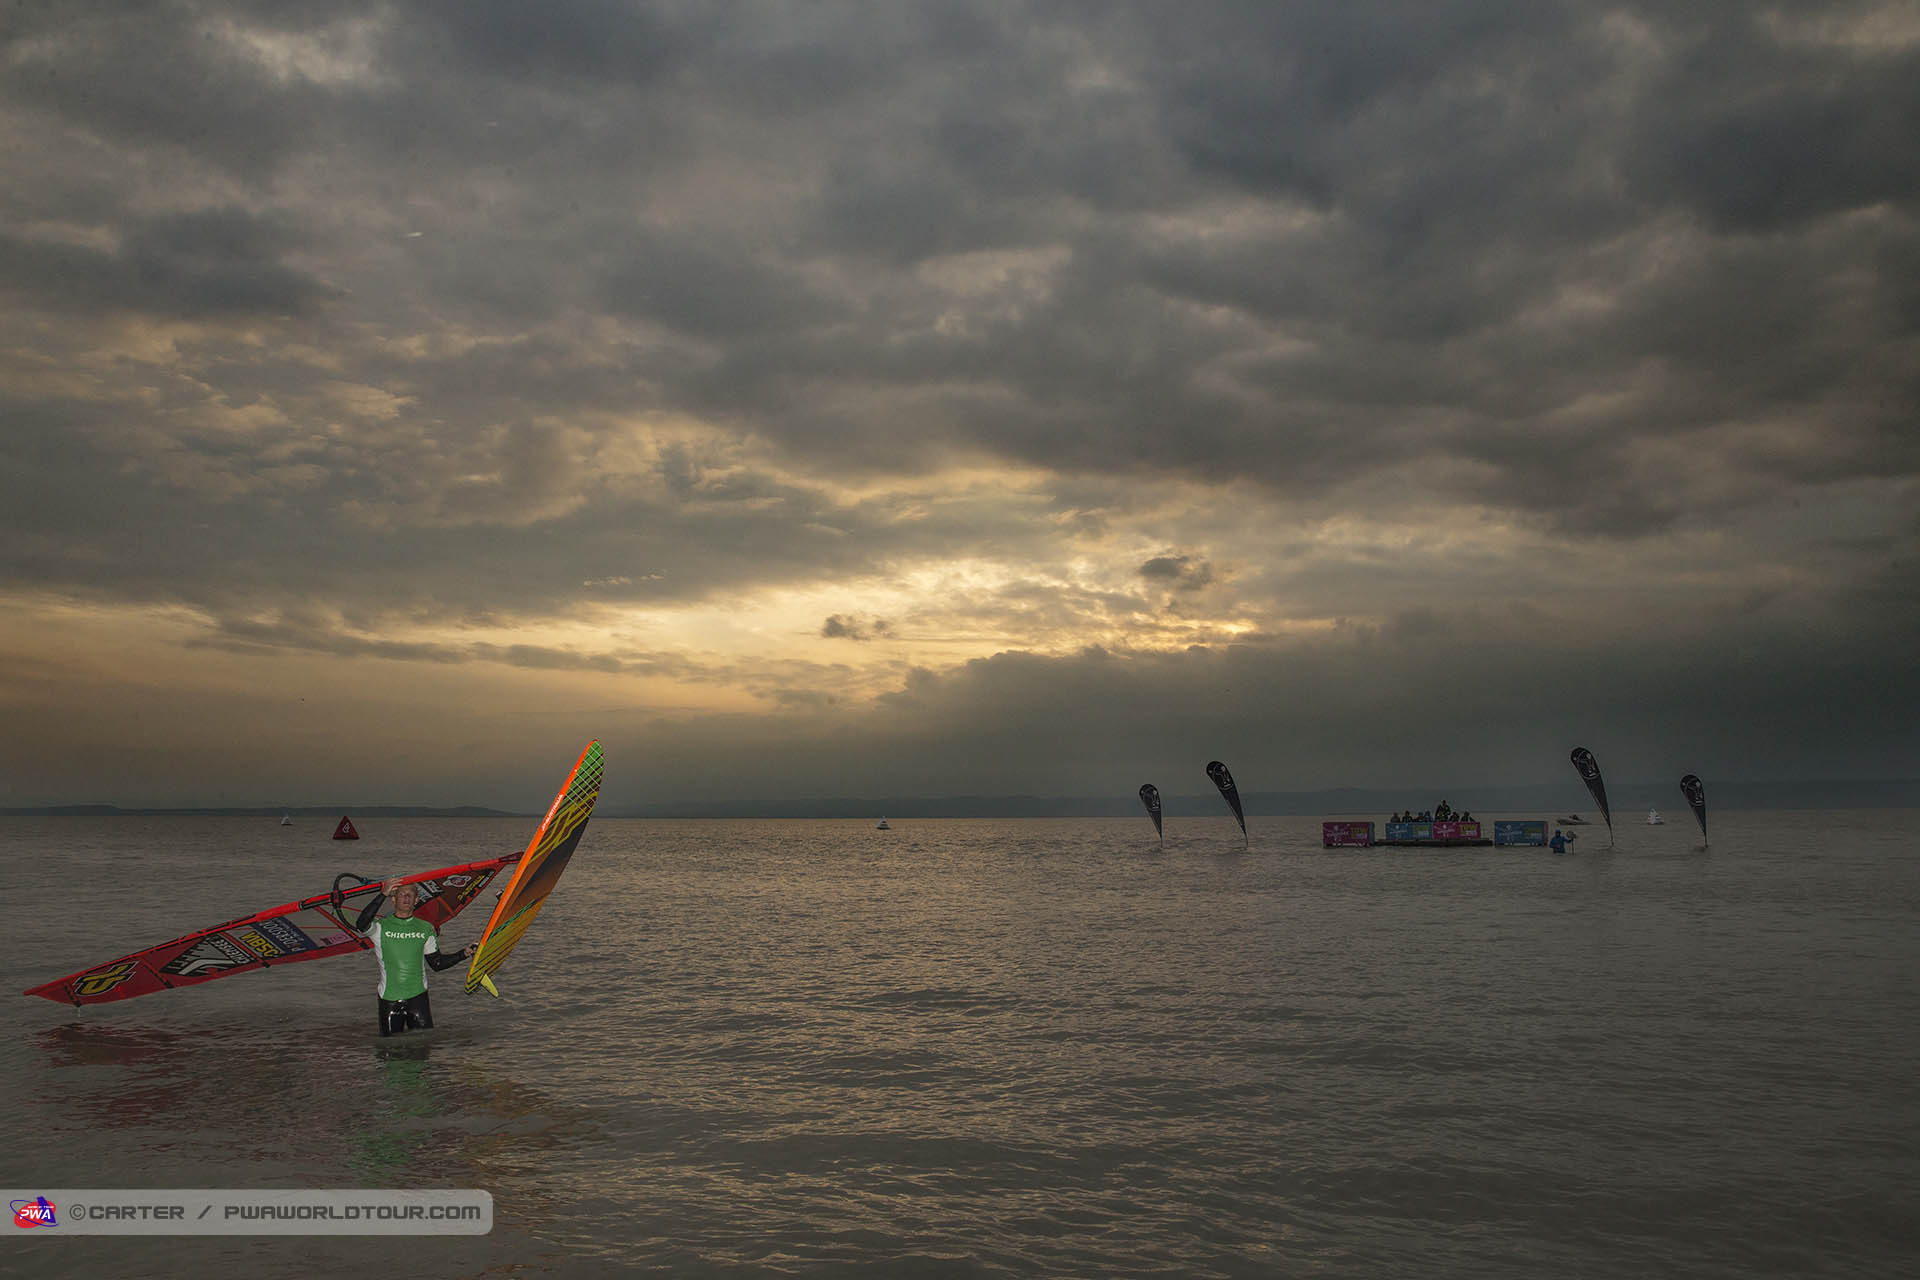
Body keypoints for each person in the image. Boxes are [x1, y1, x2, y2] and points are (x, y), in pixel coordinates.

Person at [332, 876, 477, 1036]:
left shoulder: (426, 928)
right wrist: (383, 894)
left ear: (416, 900)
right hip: (389, 1000)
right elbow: (361, 924)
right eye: (401, 894)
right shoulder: (380, 928)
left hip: (418, 999)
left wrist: (464, 953)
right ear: (393, 900)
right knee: (390, 1047)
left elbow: (437, 964)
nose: (406, 897)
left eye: (410, 895)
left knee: (423, 1046)